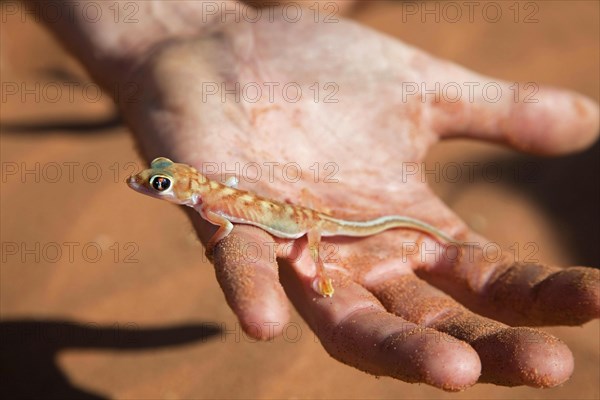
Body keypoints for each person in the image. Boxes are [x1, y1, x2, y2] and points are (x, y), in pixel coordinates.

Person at [27, 0, 599, 391]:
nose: (149, 186)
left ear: (182, 184)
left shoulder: (215, 207)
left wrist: (308, 261)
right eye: (158, 180)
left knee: (310, 244)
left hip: (309, 225)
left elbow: (236, 223)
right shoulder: (209, 197)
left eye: (158, 181)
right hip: (291, 211)